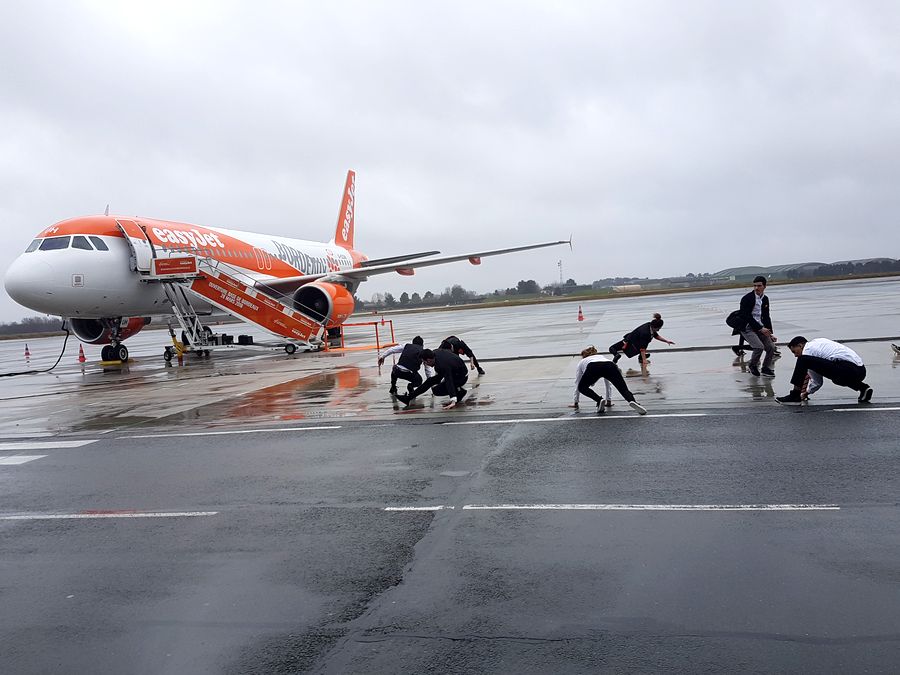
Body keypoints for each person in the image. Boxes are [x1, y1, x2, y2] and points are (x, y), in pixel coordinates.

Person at [775, 336, 872, 405]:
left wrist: (804, 393)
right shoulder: (818, 342)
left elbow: (817, 381)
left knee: (802, 360)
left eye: (794, 351)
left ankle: (795, 395)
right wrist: (807, 392)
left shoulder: (807, 351)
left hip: (848, 368)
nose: (795, 355)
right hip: (860, 370)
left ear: (800, 345)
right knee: (837, 379)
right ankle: (863, 388)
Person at [571, 346, 647, 415]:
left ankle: (599, 400)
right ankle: (632, 401)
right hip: (610, 365)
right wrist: (608, 400)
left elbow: (578, 382)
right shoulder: (602, 357)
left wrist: (576, 402)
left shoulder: (583, 361)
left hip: (593, 367)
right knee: (623, 389)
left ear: (584, 355)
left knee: (582, 387)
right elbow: (607, 382)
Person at [728, 275, 776, 377]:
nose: (756, 288)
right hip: (747, 327)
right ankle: (752, 365)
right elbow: (746, 316)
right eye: (754, 286)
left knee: (771, 347)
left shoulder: (765, 299)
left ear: (764, 286)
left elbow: (766, 316)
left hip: (760, 326)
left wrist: (770, 333)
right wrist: (760, 328)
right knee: (759, 347)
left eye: (759, 286)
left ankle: (765, 368)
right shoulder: (747, 298)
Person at [396, 347, 469, 409]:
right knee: (430, 381)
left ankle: (460, 392)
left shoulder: (442, 365)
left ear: (428, 360)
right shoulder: (435, 354)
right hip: (453, 371)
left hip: (461, 377)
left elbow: (449, 380)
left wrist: (453, 400)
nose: (425, 364)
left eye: (424, 362)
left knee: (437, 390)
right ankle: (408, 398)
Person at [609, 313, 674, 367]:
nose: (659, 330)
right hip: (630, 343)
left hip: (633, 342)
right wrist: (644, 360)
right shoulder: (646, 333)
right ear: (655, 327)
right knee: (611, 348)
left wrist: (666, 341)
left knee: (642, 347)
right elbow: (642, 349)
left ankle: (640, 357)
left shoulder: (649, 325)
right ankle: (616, 357)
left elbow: (656, 336)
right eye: (658, 328)